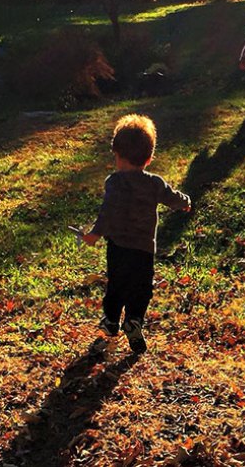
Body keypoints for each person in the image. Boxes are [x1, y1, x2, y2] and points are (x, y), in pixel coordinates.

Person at [82, 114, 191, 353]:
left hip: (118, 247)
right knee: (141, 288)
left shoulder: (114, 182)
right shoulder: (154, 184)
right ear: (149, 158)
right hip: (143, 249)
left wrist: (94, 234)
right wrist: (185, 202)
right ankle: (134, 321)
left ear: (117, 155)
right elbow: (173, 198)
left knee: (116, 286)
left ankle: (111, 322)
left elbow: (107, 213)